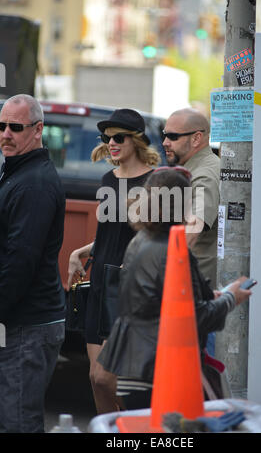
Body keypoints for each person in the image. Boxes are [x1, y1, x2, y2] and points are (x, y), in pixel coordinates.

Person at [96, 168, 252, 410]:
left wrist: (208, 297)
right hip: (160, 372)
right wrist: (232, 297)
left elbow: (160, 302)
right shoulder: (174, 249)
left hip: (134, 370)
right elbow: (193, 318)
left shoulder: (140, 240)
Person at [67, 108, 160, 414]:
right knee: (96, 380)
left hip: (127, 287)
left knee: (107, 377)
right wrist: (81, 250)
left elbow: (153, 238)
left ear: (137, 141)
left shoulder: (154, 182)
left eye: (119, 137)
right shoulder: (109, 178)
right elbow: (111, 232)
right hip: (99, 283)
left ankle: (129, 430)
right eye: (106, 139)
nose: (111, 143)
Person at [0, 94, 65, 433]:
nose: (5, 134)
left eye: (15, 127)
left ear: (38, 130)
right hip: (20, 323)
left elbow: (20, 262)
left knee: (19, 424)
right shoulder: (17, 173)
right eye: (1, 126)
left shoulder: (34, 184)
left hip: (27, 327)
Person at [162, 108, 220, 290]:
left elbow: (191, 231)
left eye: (172, 136)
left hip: (193, 286)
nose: (165, 142)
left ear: (196, 138)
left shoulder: (205, 174)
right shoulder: (192, 170)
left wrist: (158, 269)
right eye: (164, 135)